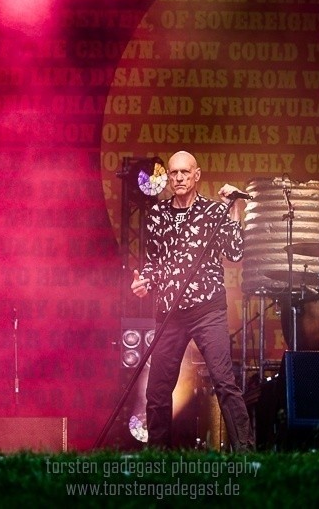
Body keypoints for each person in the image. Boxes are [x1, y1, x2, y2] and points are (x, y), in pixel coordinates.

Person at [130, 151, 254, 452]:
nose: (179, 178)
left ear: (197, 175)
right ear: (167, 178)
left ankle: (247, 454)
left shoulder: (214, 212)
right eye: (173, 173)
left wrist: (234, 208)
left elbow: (235, 253)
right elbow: (153, 263)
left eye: (185, 172)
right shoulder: (157, 214)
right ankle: (157, 458)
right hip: (169, 313)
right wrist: (143, 282)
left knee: (225, 382)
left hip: (207, 310)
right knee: (158, 389)